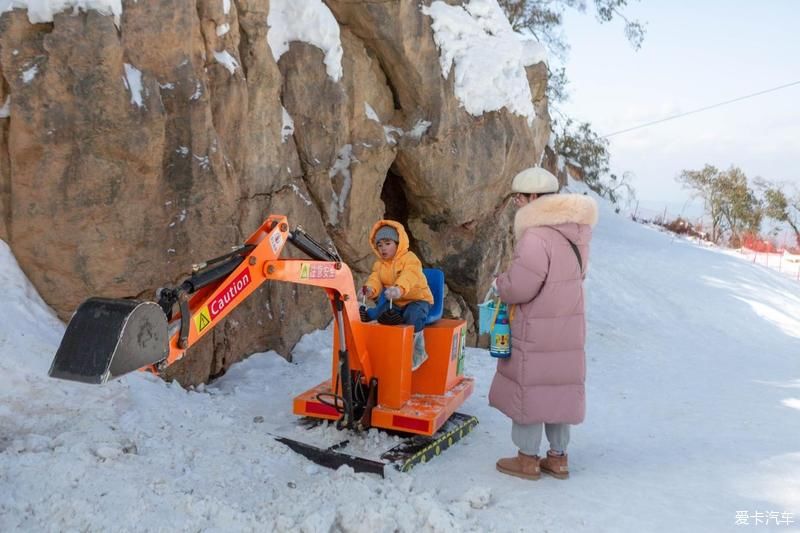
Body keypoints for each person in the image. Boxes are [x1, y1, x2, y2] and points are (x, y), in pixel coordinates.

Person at [489, 167, 598, 480]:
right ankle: (558, 458)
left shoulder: (536, 235)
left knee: (531, 388)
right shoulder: (575, 232)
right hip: (568, 327)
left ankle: (526, 459)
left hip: (537, 328)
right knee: (559, 389)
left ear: (534, 197)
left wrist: (501, 284)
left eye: (520, 198)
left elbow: (522, 286)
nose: (518, 204)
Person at [361, 220, 434, 369]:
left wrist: (399, 289)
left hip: (418, 300)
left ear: (398, 242)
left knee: (413, 315)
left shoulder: (410, 259)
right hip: (398, 302)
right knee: (381, 314)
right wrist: (370, 289)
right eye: (379, 245)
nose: (383, 248)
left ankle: (417, 352)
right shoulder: (380, 265)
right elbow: (375, 278)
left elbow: (410, 275)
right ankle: (387, 348)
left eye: (387, 243)